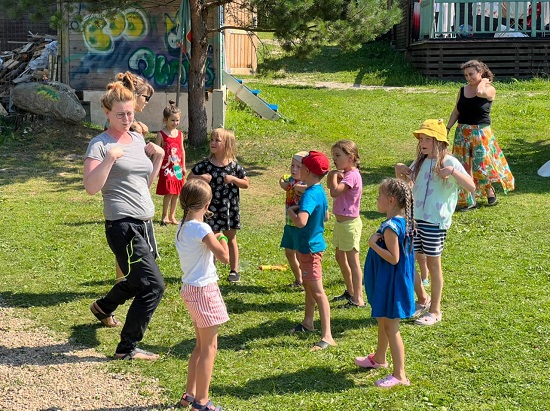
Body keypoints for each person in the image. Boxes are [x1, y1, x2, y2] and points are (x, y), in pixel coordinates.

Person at [83, 81, 165, 360]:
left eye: (130, 113)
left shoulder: (138, 139)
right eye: (120, 114)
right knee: (153, 286)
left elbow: (143, 184)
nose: (127, 119)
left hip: (144, 224)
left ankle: (103, 307)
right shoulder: (100, 145)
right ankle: (126, 348)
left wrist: (157, 160)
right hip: (123, 226)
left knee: (137, 279)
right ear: (107, 113)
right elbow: (91, 187)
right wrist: (109, 159)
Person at [395, 119, 475, 326]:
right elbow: (407, 187)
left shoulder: (450, 162)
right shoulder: (419, 162)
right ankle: (423, 299)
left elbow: (471, 186)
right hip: (414, 219)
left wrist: (453, 172)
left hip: (434, 222)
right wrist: (400, 172)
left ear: (439, 142)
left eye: (427, 139)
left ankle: (435, 310)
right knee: (407, 259)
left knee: (433, 264)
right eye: (421, 139)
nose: (422, 143)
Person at [175, 179, 229, 411]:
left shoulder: (182, 225)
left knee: (200, 346)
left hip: (190, 289)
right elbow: (225, 257)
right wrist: (222, 237)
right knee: (209, 348)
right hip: (204, 291)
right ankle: (202, 402)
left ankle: (190, 395)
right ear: (207, 205)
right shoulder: (202, 229)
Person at [356, 178, 415, 388]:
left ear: (391, 200)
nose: (377, 199)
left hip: (393, 285)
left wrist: (373, 244)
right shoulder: (400, 222)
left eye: (379, 196)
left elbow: (394, 258)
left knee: (391, 326)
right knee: (382, 320)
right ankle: (379, 358)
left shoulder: (391, 227)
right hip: (389, 281)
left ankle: (400, 375)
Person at [446, 60, 515, 210]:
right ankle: (470, 198)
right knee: (463, 165)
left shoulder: (489, 89)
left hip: (480, 132)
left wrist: (483, 82)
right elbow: (456, 111)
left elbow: (480, 93)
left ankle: (489, 191)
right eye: (466, 75)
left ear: (480, 72)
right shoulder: (462, 90)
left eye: (471, 74)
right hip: (462, 132)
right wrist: (448, 128)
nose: (468, 78)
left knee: (481, 165)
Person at [288, 151, 336, 351]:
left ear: (307, 171)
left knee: (317, 291)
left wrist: (292, 212)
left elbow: (301, 222)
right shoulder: (319, 191)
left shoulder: (309, 194)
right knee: (308, 286)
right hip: (308, 247)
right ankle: (308, 322)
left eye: (301, 167)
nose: (297, 170)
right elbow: (325, 216)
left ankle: (327, 336)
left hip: (310, 249)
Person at [188, 128, 249, 283]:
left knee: (231, 238)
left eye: (217, 140)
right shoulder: (206, 165)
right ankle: (211, 269)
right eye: (212, 140)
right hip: (211, 209)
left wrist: (233, 179)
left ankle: (234, 270)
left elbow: (246, 183)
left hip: (229, 209)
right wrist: (201, 177)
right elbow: (190, 177)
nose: (213, 143)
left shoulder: (234, 166)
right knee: (212, 239)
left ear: (227, 144)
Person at [326, 140, 364, 308]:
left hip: (350, 225)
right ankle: (350, 291)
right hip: (341, 224)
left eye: (338, 155)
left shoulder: (352, 176)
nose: (334, 159)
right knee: (340, 256)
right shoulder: (345, 174)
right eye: (333, 156)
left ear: (351, 157)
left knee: (353, 261)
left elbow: (334, 192)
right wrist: (332, 175)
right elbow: (330, 186)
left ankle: (358, 298)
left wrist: (334, 176)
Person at [279, 151, 308, 290]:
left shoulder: (306, 183)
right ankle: (299, 279)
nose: (294, 169)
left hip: (299, 225)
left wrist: (298, 187)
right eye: (292, 166)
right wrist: (281, 181)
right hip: (289, 224)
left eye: (298, 167)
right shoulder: (291, 180)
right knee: (289, 252)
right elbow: (285, 186)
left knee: (299, 254)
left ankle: (306, 281)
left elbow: (309, 189)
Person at [155, 100, 186, 226]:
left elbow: (182, 150)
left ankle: (172, 216)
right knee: (169, 191)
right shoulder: (161, 134)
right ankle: (164, 216)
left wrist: (183, 166)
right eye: (172, 120)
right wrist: (156, 168)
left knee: (176, 192)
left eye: (177, 120)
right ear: (165, 120)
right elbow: (156, 152)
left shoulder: (180, 134)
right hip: (166, 168)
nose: (175, 123)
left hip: (177, 167)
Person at [114, 71, 154, 135]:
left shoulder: (114, 118)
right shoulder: (127, 125)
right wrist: (140, 134)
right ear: (135, 95)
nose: (146, 102)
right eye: (146, 98)